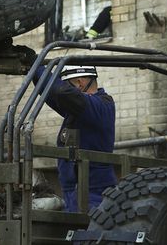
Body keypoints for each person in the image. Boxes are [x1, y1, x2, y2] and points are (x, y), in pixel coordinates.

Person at [37, 65, 117, 212]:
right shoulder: (80, 109)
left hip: (94, 195)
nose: (64, 88)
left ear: (80, 83)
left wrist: (39, 67)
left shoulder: (101, 106)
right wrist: (34, 69)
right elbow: (52, 94)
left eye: (68, 84)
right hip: (74, 193)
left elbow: (62, 92)